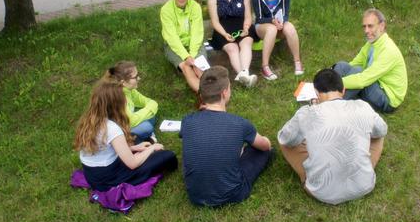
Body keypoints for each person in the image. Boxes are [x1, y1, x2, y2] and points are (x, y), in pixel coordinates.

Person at [278, 69, 387, 205]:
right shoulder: (362, 106)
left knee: (285, 141)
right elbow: (382, 130)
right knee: (378, 136)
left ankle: (308, 177)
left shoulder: (306, 114)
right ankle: (364, 172)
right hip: (364, 186)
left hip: (322, 193)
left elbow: (285, 138)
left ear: (316, 93)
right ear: (343, 90)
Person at [180, 66, 273, 206]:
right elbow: (265, 146)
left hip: (195, 196)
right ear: (224, 92)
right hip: (233, 194)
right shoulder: (239, 124)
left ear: (201, 95)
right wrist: (266, 141)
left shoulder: (187, 121)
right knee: (266, 152)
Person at [74, 80, 177, 192]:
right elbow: (132, 164)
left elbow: (105, 147)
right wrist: (152, 148)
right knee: (168, 156)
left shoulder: (89, 119)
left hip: (92, 174)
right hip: (109, 179)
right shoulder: (112, 128)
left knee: (138, 144)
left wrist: (134, 148)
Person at [333, 8, 407, 113]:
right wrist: (331, 77)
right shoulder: (371, 43)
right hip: (375, 83)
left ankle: (332, 107)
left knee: (358, 72)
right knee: (341, 65)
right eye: (364, 26)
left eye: (370, 26)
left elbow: (362, 80)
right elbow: (354, 63)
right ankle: (327, 93)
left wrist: (334, 82)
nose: (366, 31)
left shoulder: (388, 50)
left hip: (387, 98)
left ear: (382, 26)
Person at [207, 0, 258, 87]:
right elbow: (214, 21)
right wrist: (224, 34)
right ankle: (245, 77)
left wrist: (246, 28)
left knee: (246, 43)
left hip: (242, 25)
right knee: (232, 48)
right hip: (222, 28)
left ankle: (244, 74)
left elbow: (248, 16)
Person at [251, 0, 304, 80]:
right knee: (271, 29)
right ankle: (265, 67)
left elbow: (285, 14)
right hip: (262, 27)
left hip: (278, 24)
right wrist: (272, 21)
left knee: (290, 27)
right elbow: (259, 18)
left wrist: (282, 22)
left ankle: (297, 62)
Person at [160, 0, 207, 93]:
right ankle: (204, 96)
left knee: (199, 68)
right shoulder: (166, 10)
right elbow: (172, 38)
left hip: (194, 44)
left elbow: (197, 32)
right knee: (186, 68)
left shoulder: (195, 6)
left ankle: (212, 93)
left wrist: (192, 54)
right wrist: (186, 57)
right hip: (174, 46)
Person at [103, 61, 159, 144]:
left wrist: (151, 106)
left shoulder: (129, 89)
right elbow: (131, 121)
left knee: (151, 116)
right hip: (118, 129)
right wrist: (151, 107)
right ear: (123, 82)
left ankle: (143, 137)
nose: (139, 78)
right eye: (135, 77)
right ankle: (133, 140)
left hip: (127, 122)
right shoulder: (118, 97)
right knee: (147, 127)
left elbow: (145, 101)